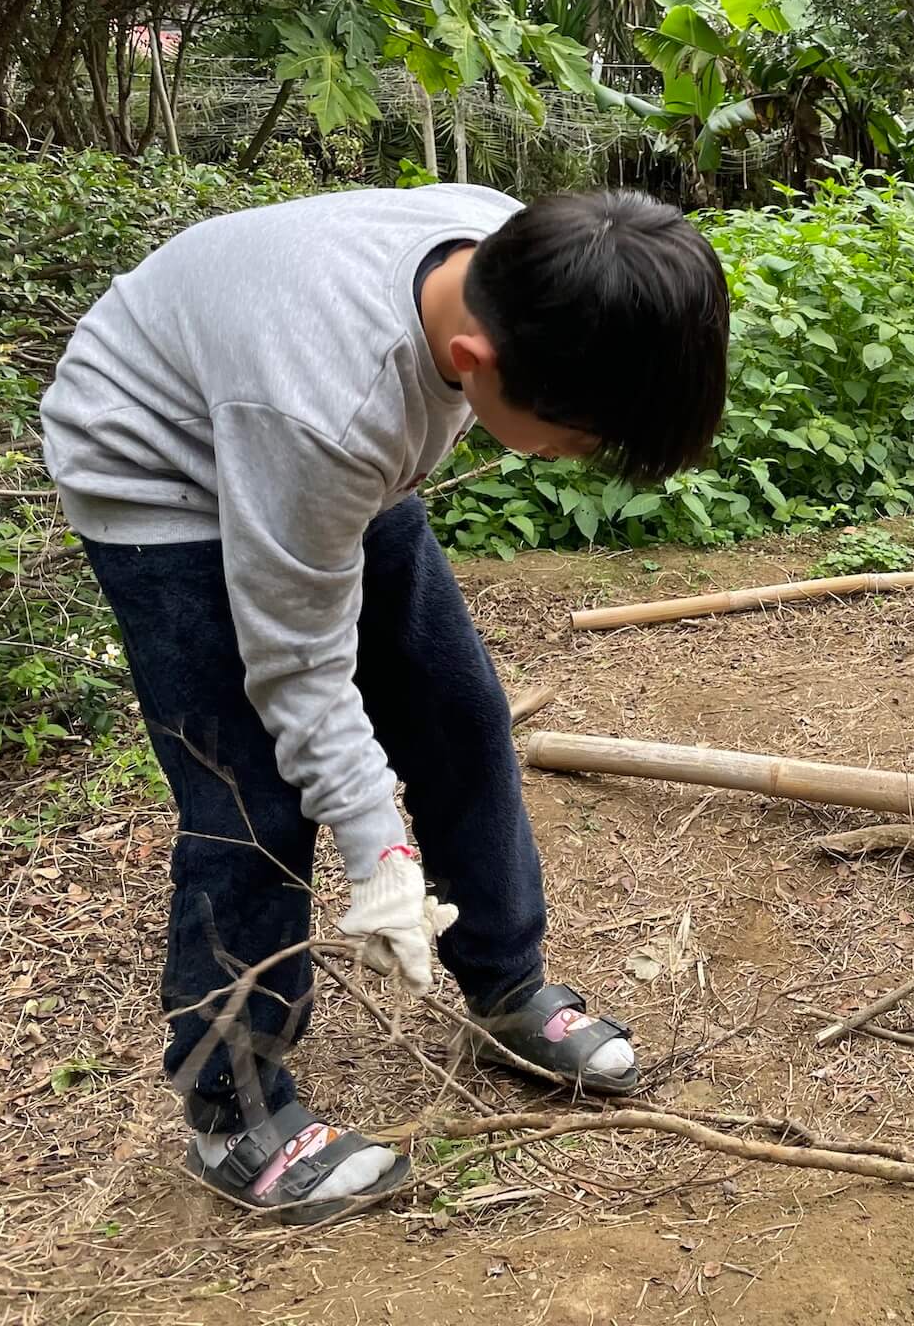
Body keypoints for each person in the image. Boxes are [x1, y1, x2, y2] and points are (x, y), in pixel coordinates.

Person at [39, 184, 730, 1223]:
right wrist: (381, 860)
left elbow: (332, 508)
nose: (574, 462)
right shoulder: (332, 409)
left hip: (298, 437)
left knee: (459, 712)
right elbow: (300, 670)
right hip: (155, 463)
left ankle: (503, 987)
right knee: (253, 796)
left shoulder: (522, 253)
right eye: (570, 440)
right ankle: (234, 1112)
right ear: (474, 366)